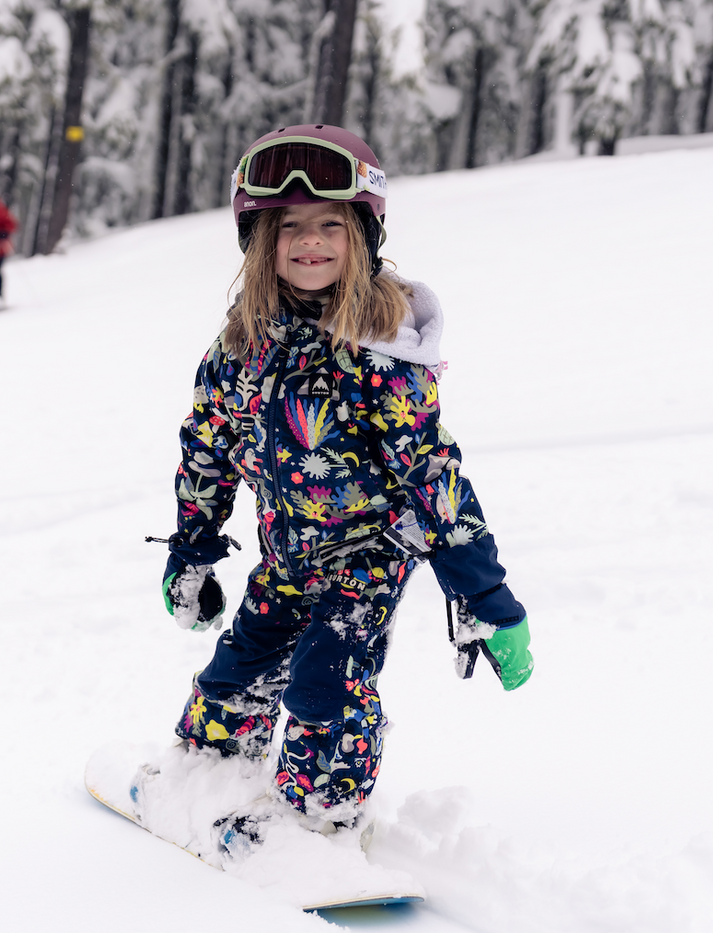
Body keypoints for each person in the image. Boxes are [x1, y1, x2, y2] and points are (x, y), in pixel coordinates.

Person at [153, 125, 535, 851]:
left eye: (331, 224)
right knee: (234, 676)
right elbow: (207, 449)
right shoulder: (240, 347)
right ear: (259, 240)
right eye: (289, 226)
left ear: (362, 235)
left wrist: (485, 594)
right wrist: (192, 551)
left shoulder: (379, 353)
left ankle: (318, 818)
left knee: (326, 683)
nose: (310, 240)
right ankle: (212, 774)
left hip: (367, 557)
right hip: (285, 556)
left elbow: (430, 473)